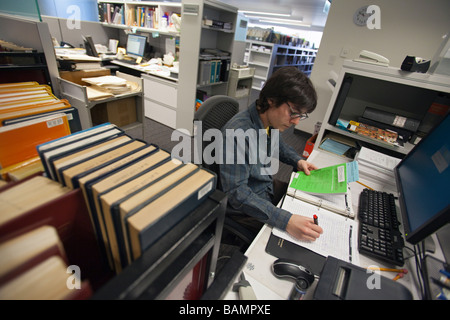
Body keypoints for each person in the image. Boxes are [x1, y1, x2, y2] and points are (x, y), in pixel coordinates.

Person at [219, 66, 323, 242]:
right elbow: (237, 193)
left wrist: (298, 161)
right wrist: (286, 220)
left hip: (264, 186)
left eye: (301, 115)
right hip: (245, 207)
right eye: (293, 112)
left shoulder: (267, 120)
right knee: (292, 243)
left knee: (310, 203)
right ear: (272, 100)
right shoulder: (238, 133)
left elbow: (278, 145)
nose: (296, 121)